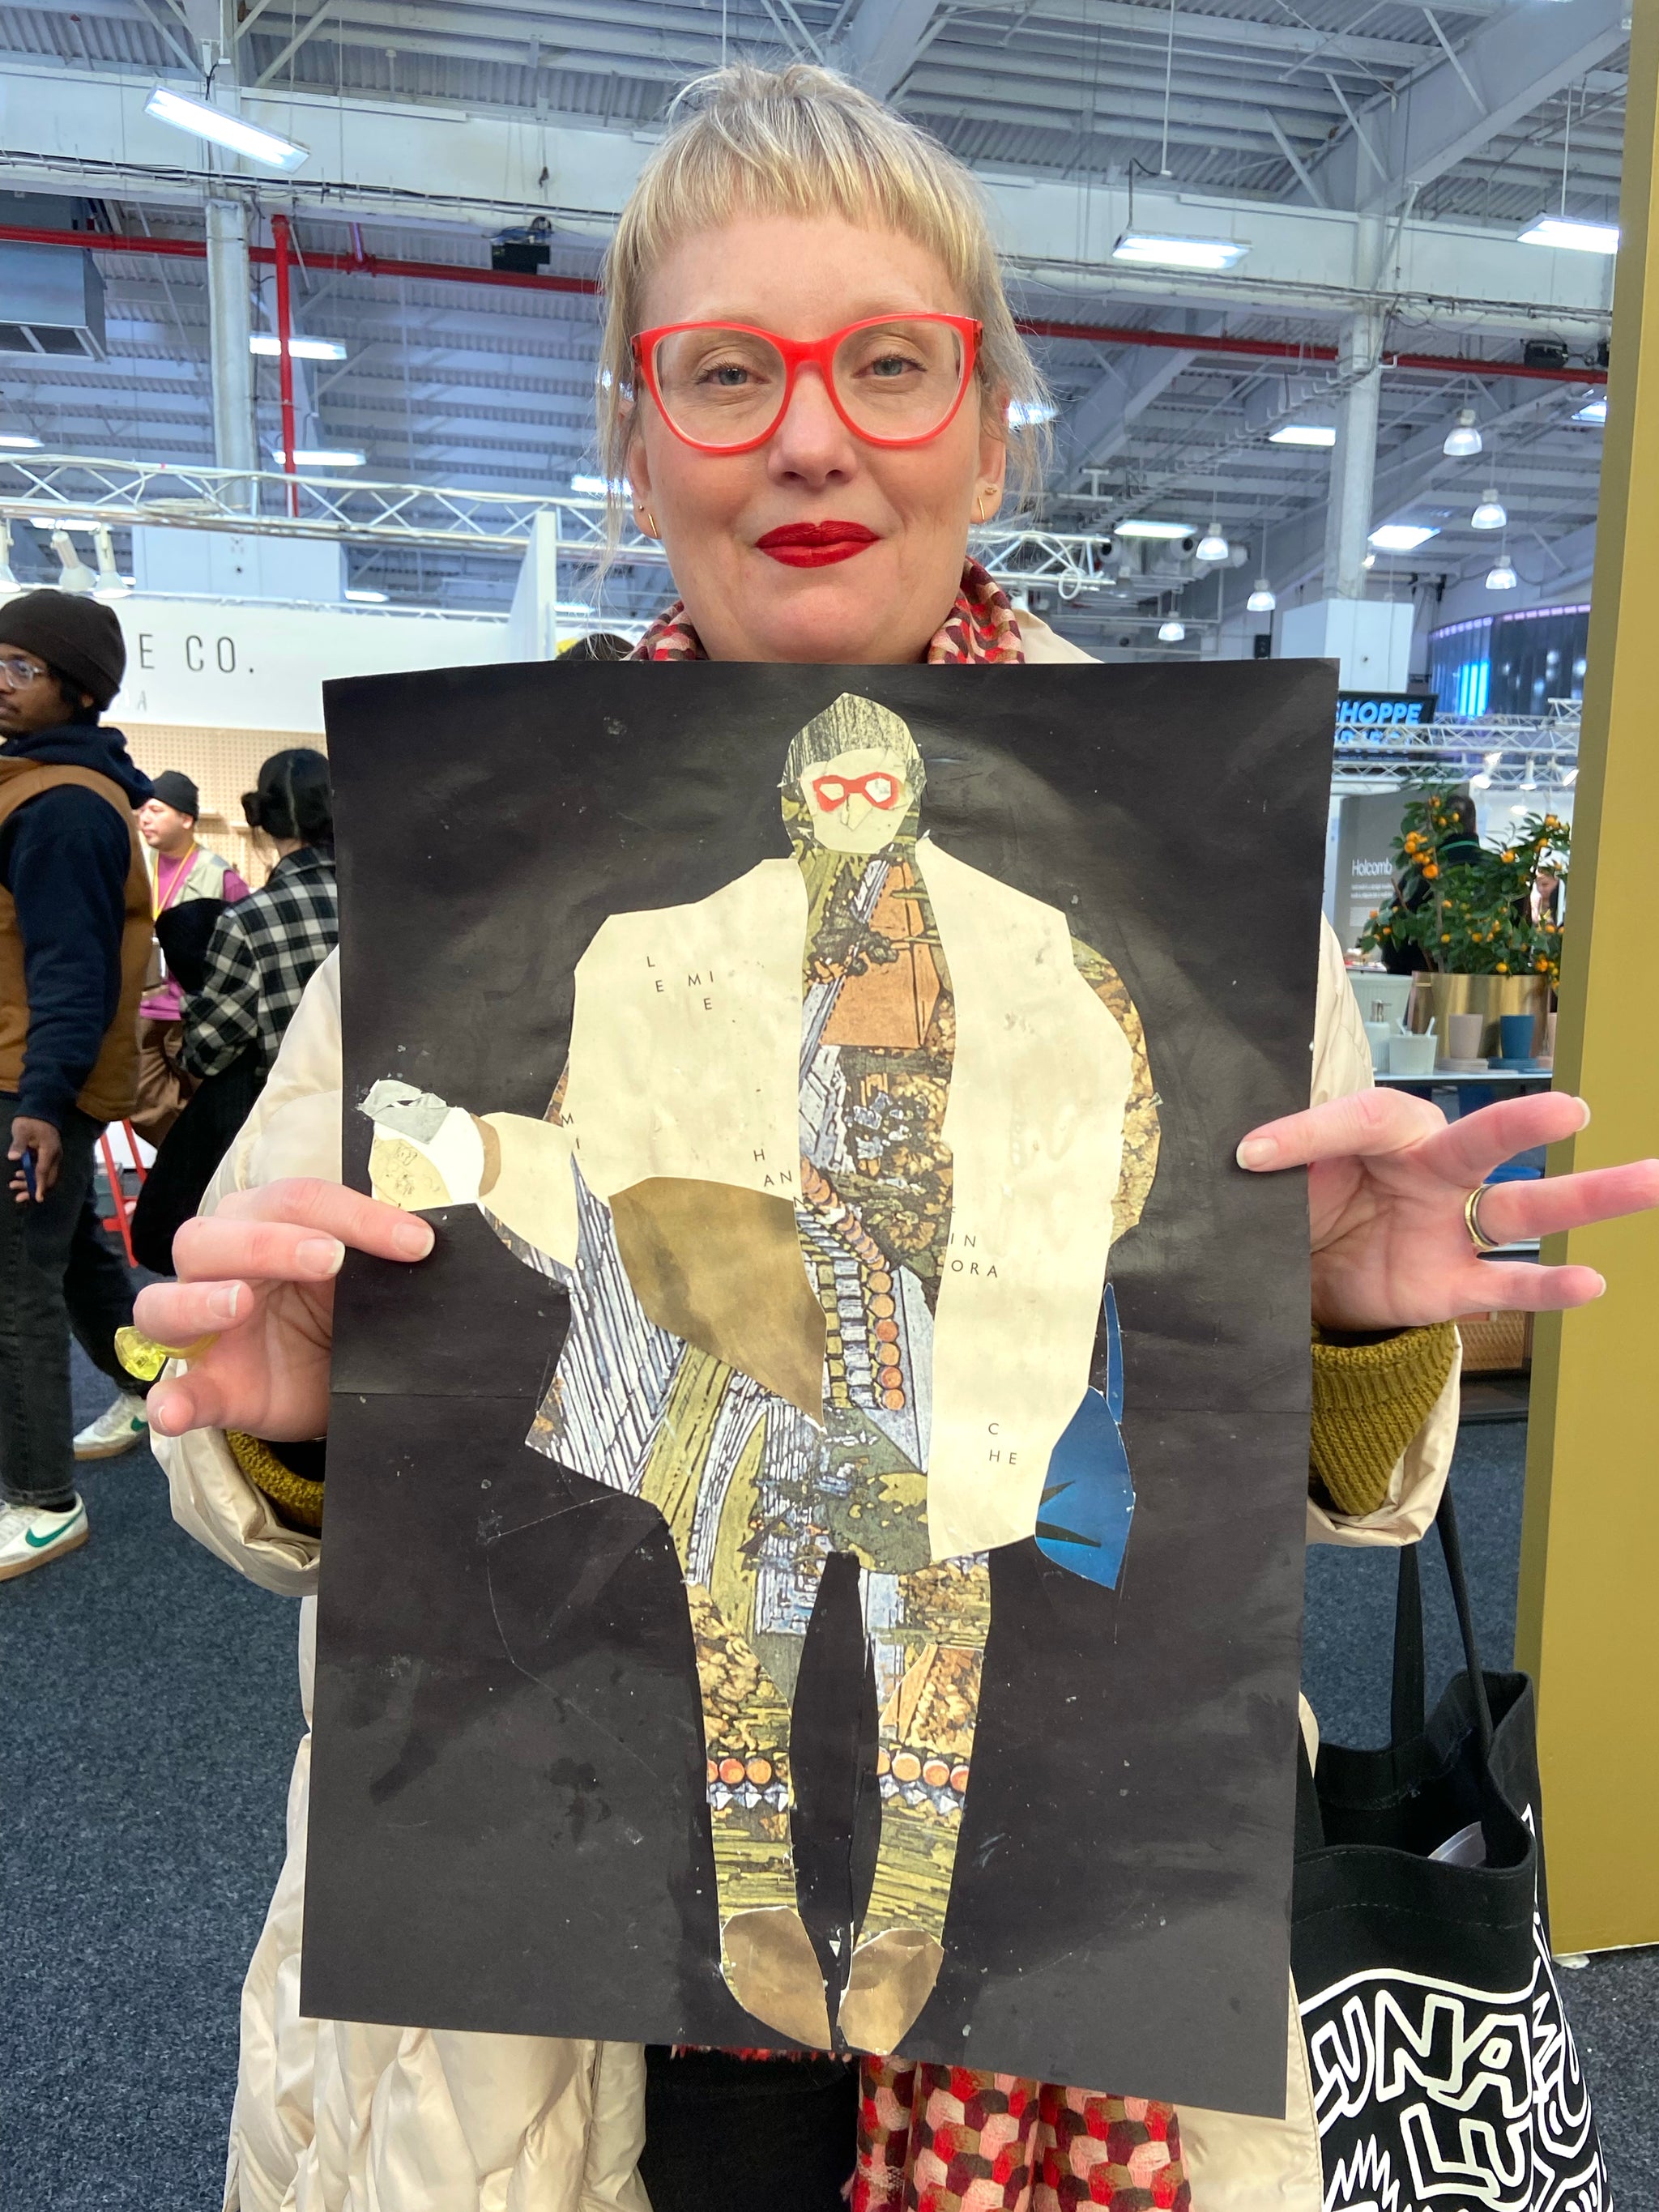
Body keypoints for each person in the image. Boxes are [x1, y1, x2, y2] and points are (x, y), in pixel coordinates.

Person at [134, 65, 1659, 2212]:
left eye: (888, 363)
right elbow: (458, 1292)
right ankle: (774, 1888)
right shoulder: (502, 887)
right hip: (560, 1964)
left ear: (988, 429)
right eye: (726, 372)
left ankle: (905, 1899)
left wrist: (1338, 1327)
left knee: (933, 1644)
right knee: (751, 1634)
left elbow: (1267, 1446)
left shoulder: (1156, 889)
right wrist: (312, 1425)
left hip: (1075, 1929)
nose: (812, 437)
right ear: (635, 439)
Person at [0, 588, 154, 1579]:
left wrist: (42, 1105)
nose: (1, 683)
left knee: (15, 1285)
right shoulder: (42, 785)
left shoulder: (61, 807)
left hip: (27, 1083)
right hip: (32, 1071)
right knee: (75, 1255)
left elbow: (72, 970)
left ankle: (41, 1500)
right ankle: (152, 1385)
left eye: (22, 669)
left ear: (80, 690)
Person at [180, 748, 337, 1091]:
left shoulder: (246, 922)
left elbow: (206, 1053)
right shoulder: (384, 909)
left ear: (263, 818)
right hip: (384, 1111)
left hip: (292, 1113)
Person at [133, 768, 249, 1146]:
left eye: (156, 810)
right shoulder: (136, 868)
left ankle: (203, 1165)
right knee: (142, 1103)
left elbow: (245, 943)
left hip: (199, 1012)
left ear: (186, 819)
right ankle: (185, 1158)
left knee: (211, 1107)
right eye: (142, 810)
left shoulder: (220, 876)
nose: (144, 818)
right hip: (146, 1007)